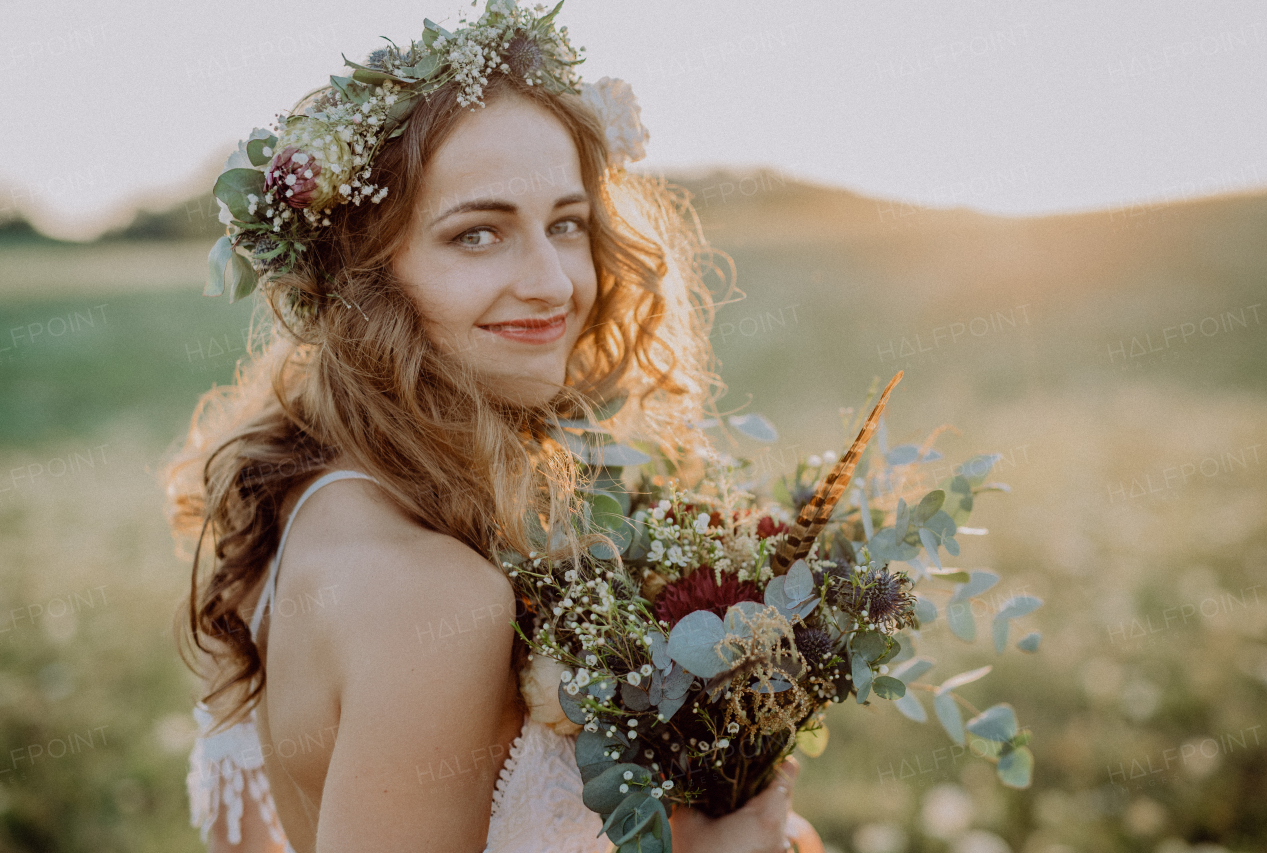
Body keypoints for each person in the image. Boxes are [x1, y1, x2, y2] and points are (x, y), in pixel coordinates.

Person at [164, 3, 824, 851]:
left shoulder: (307, 490)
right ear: (366, 277)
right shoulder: (433, 597)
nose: (552, 282)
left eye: (566, 224)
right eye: (477, 234)